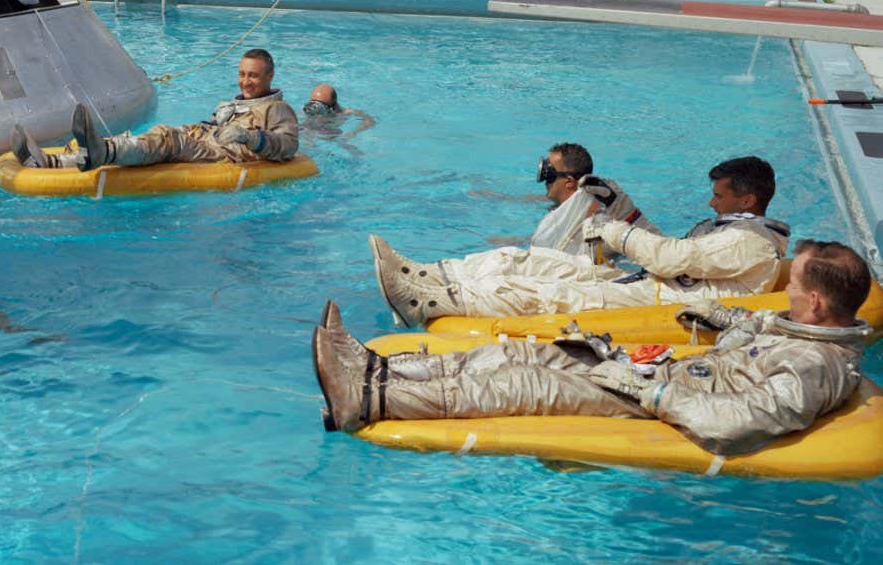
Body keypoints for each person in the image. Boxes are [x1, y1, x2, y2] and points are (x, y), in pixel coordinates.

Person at [314, 239, 875, 455]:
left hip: (654, 397)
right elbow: (754, 340)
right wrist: (725, 317)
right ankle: (375, 367)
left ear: (818, 303)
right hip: (657, 373)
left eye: (795, 285)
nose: (787, 291)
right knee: (520, 354)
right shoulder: (799, 329)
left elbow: (741, 421)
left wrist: (647, 393)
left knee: (525, 385)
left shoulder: (816, 365)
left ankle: (363, 398)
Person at [374, 156, 790, 322]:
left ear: (748, 199)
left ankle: (430, 302)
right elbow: (670, 252)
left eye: (719, 195)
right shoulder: (731, 232)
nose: (711, 202)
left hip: (663, 303)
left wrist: (611, 229)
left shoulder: (749, 241)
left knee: (548, 293)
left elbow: (669, 258)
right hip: (648, 285)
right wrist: (620, 205)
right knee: (532, 261)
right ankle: (427, 274)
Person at [370, 142, 654, 290]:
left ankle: (432, 278)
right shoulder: (567, 210)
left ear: (569, 182)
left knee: (508, 258)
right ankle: (430, 275)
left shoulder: (601, 214)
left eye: (548, 175)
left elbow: (648, 247)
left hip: (578, 279)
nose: (543, 181)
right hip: (560, 267)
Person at [11, 49, 298, 172]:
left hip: (223, 155)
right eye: (242, 74)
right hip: (203, 143)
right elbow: (207, 127)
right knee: (162, 135)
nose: (245, 81)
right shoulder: (230, 105)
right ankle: (52, 164)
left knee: (166, 138)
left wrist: (251, 139)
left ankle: (102, 152)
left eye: (253, 76)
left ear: (270, 77)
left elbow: (288, 145)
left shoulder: (277, 108)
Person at [300, 83, 376, 154]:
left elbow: (370, 121)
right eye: (313, 104)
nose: (316, 111)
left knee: (351, 149)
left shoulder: (346, 113)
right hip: (313, 132)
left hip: (334, 135)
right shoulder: (309, 110)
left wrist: (353, 133)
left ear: (332, 107)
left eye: (321, 108)